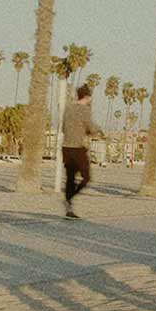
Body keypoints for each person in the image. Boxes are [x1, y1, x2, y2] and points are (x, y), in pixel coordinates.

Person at [60, 83, 104, 220]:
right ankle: (70, 198)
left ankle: (69, 206)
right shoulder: (85, 110)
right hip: (78, 148)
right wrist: (99, 131)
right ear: (86, 97)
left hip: (66, 147)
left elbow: (63, 127)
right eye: (89, 97)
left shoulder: (68, 109)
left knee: (70, 178)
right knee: (86, 177)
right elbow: (90, 127)